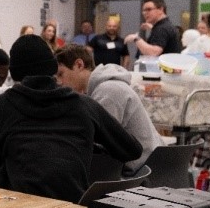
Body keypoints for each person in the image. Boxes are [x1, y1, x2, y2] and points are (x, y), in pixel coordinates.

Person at [0, 35, 141, 203]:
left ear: (13, 73)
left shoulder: (4, 106)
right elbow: (132, 150)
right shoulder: (84, 105)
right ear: (52, 67)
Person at [56, 44, 162, 174]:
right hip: (146, 165)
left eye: (61, 74)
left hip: (141, 171)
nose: (59, 82)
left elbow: (102, 147)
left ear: (79, 65)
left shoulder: (108, 91)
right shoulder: (104, 88)